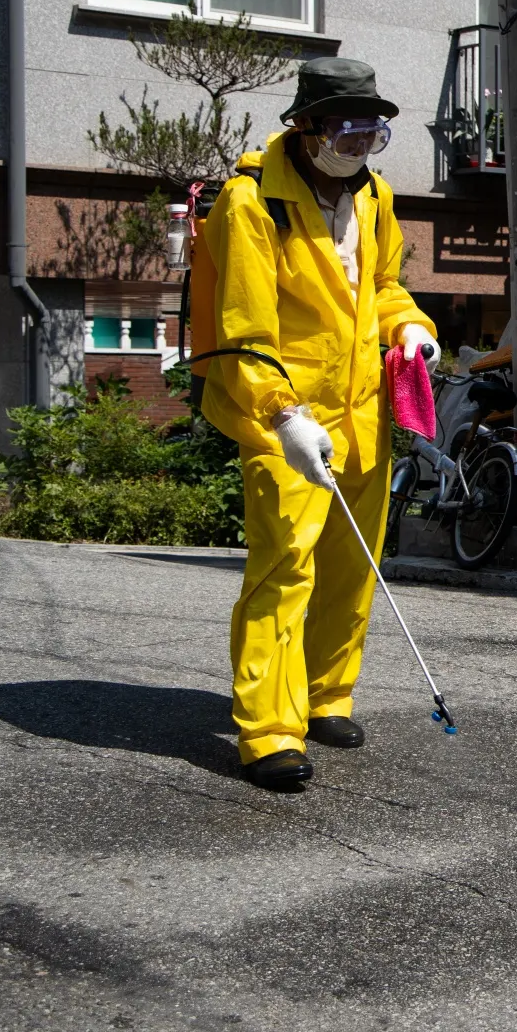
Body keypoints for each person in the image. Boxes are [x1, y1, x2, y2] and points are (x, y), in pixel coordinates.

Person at [198, 58, 438, 792]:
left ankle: (327, 696)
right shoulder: (250, 205)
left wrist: (411, 329)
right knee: (284, 567)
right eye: (346, 128)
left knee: (352, 565)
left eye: (373, 131)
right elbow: (243, 329)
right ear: (303, 127)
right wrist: (282, 414)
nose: (360, 144)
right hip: (287, 419)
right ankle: (268, 731)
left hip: (364, 408)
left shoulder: (376, 197)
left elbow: (387, 284)